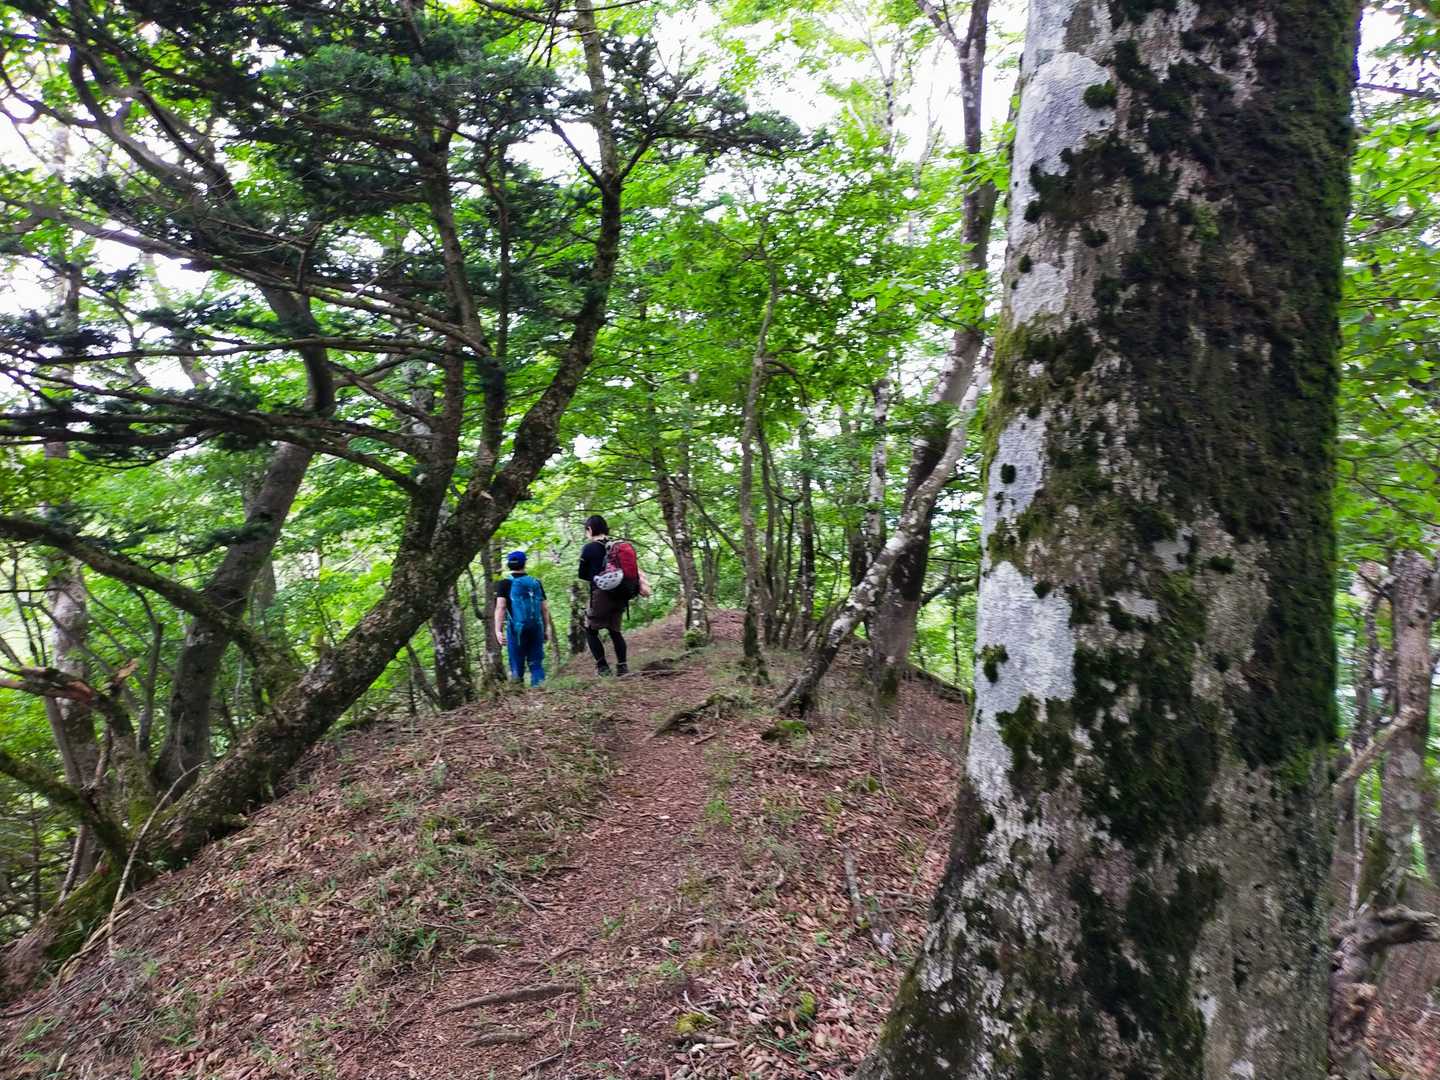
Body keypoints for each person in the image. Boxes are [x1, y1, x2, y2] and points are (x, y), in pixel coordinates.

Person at [577, 514, 629, 676]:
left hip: (600, 595)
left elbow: (582, 574)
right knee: (615, 631)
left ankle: (603, 668)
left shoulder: (589, 548)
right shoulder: (616, 546)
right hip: (621, 593)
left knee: (591, 630)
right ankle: (622, 667)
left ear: (590, 529)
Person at [493, 551, 549, 687]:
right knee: (536, 663)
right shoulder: (536, 582)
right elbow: (544, 608)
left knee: (516, 664)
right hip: (536, 627)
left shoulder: (504, 583)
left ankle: (518, 692)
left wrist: (498, 630)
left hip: (516, 629)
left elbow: (501, 607)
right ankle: (540, 691)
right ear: (525, 563)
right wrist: (546, 629)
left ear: (509, 564)